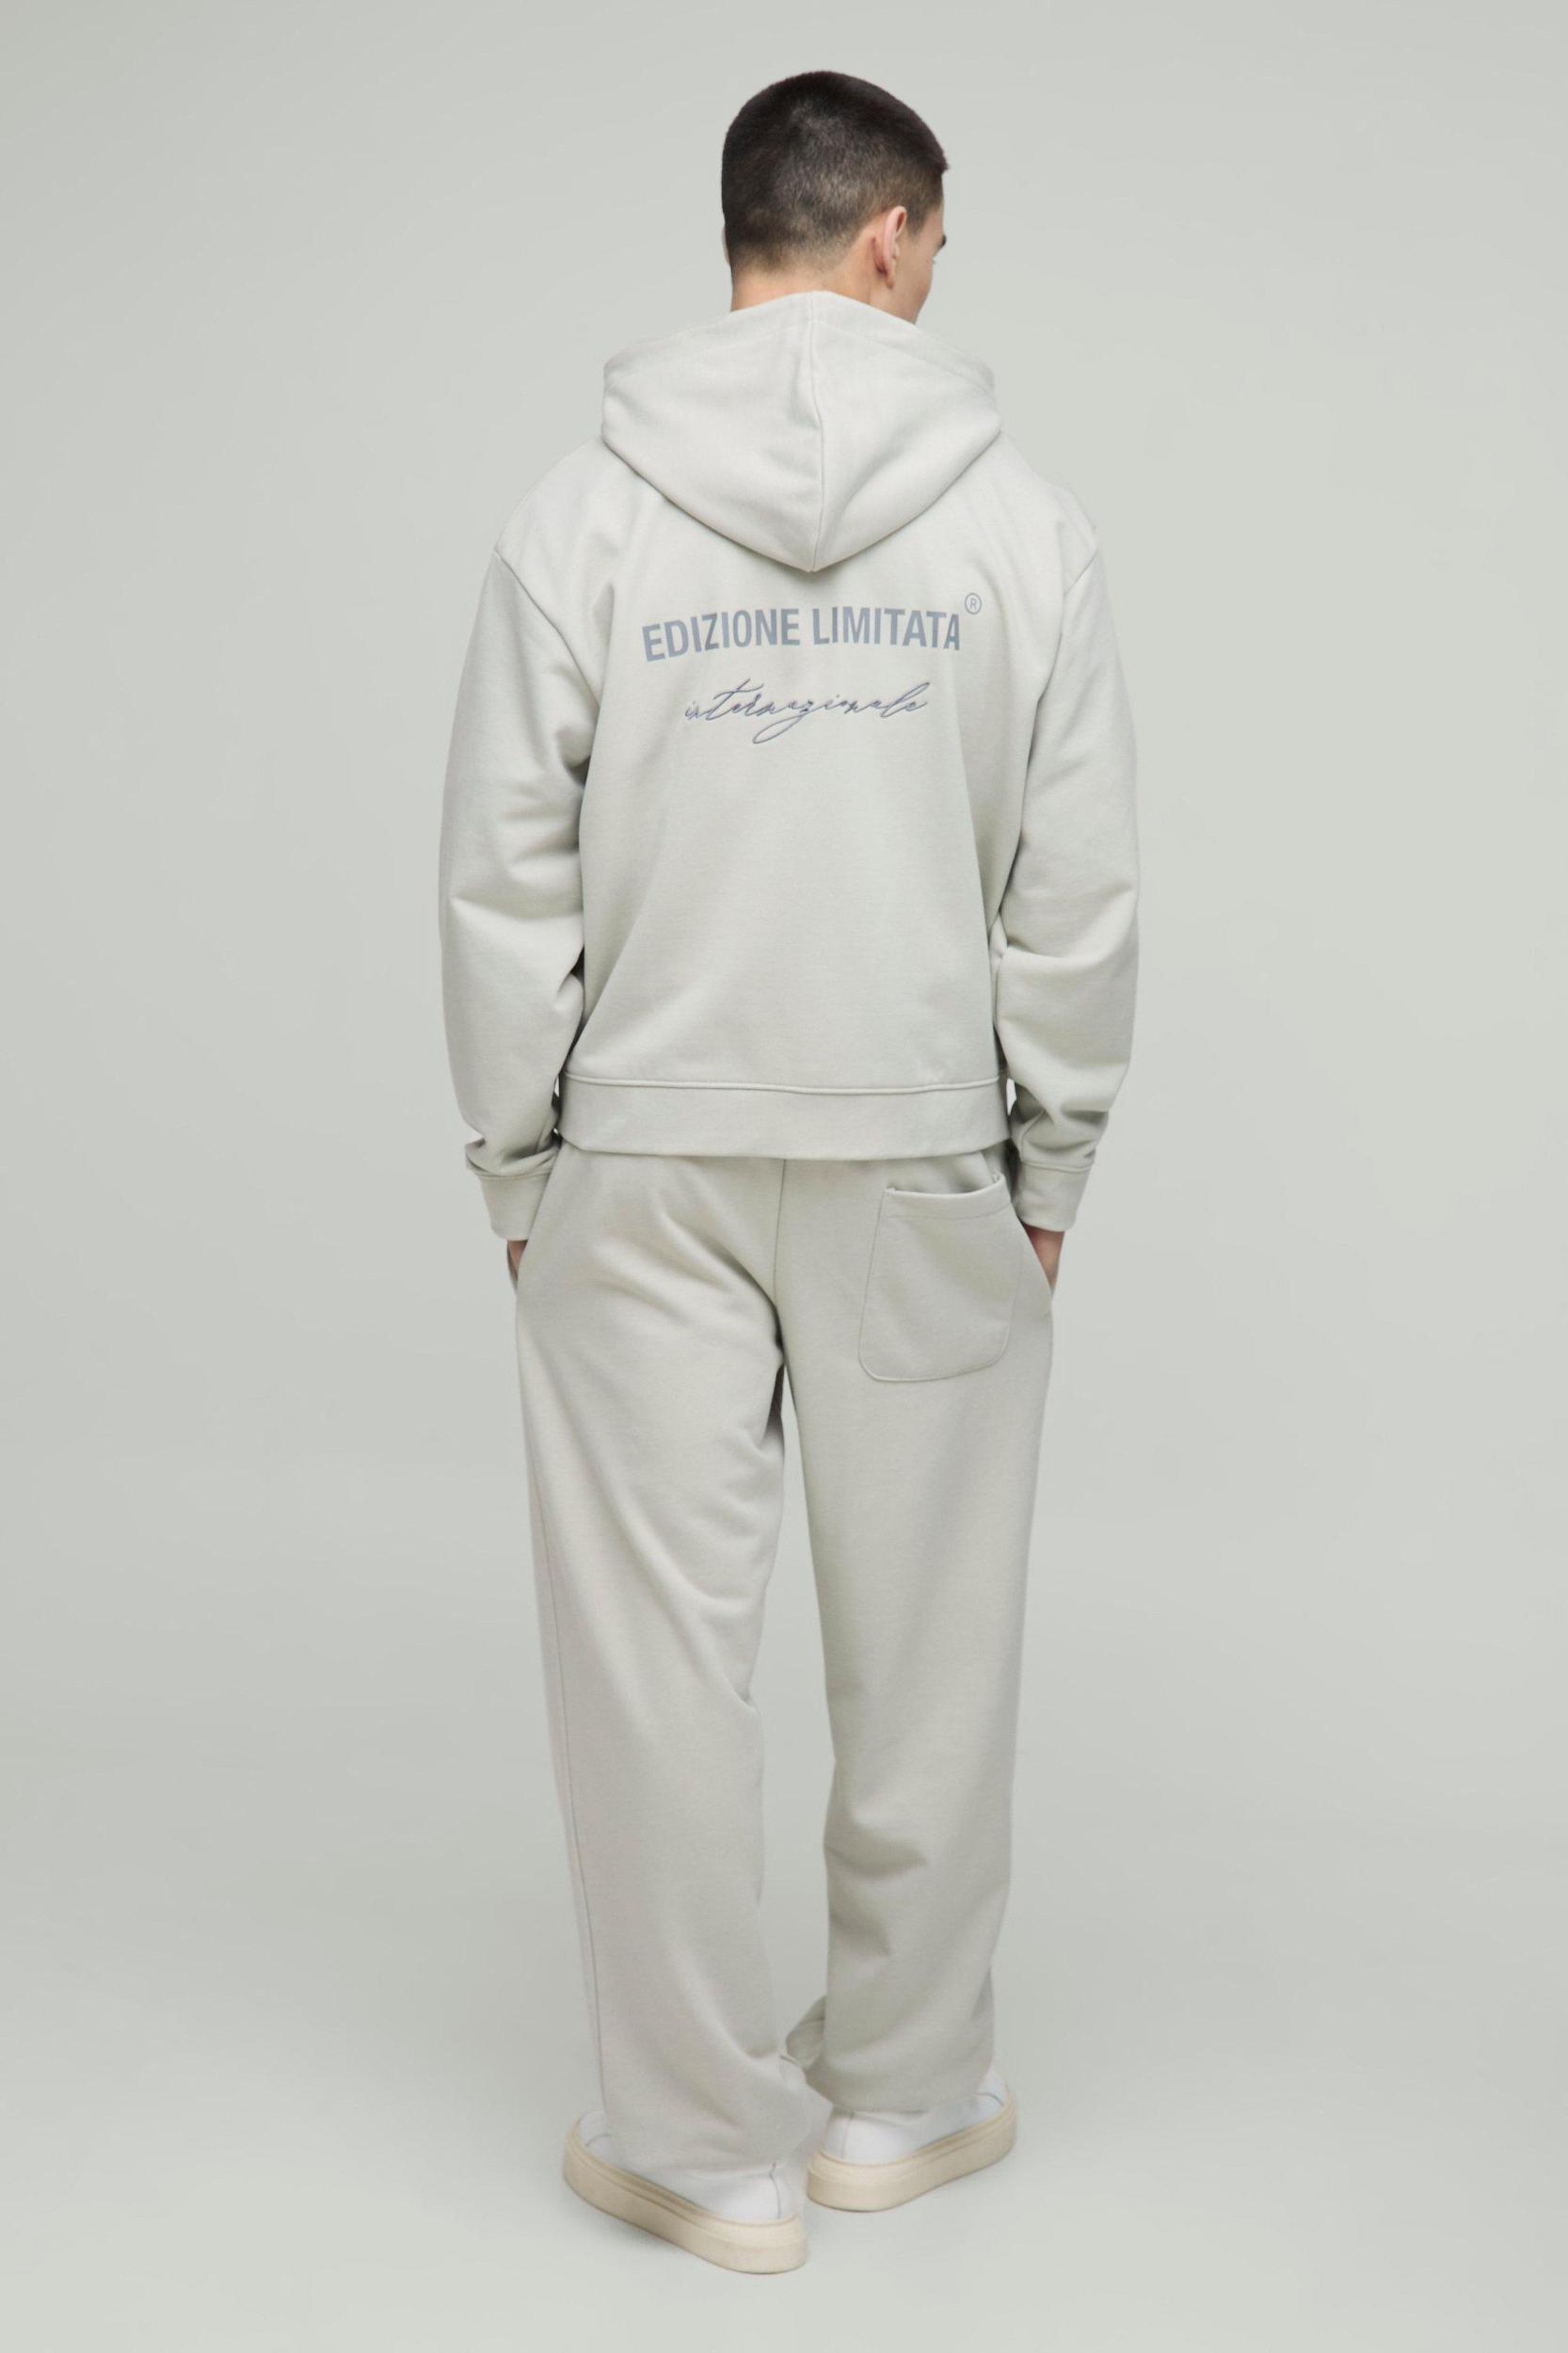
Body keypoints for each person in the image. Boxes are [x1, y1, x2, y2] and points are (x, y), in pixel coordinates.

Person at [439, 69, 1138, 2275]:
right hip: (924, 1148)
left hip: (639, 1149)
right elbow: (1073, 893)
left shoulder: (577, 518)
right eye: (936, 243)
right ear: (890, 236)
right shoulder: (1023, 527)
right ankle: (902, 2096)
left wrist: (521, 1166)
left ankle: (694, 2145)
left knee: (654, 1658)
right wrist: (1048, 1154)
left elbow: (499, 879)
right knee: (929, 1642)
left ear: (741, 228)